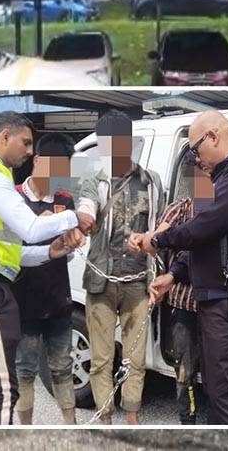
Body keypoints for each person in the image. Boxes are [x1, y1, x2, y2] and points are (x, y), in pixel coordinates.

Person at [131, 110, 228, 425]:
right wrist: (173, 275)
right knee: (216, 388)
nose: (196, 158)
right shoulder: (227, 176)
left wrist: (158, 241)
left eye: (196, 149)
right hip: (217, 299)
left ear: (213, 136)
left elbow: (203, 227)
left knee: (226, 395)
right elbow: (208, 241)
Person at [0, 111, 87, 425]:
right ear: (5, 136)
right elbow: (31, 229)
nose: (28, 151)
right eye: (25, 143)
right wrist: (75, 218)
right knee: (3, 387)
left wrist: (50, 252)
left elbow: (12, 253)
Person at [74, 110, 163, 425]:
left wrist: (156, 266)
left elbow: (160, 229)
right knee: (101, 358)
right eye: (104, 144)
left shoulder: (151, 182)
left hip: (137, 282)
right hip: (101, 282)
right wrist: (80, 222)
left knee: (135, 358)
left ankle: (133, 417)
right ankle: (105, 418)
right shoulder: (94, 182)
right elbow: (86, 208)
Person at [11, 135, 79, 425]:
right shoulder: (13, 198)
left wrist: (72, 245)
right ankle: (25, 433)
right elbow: (10, 251)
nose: (57, 178)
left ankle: (71, 427)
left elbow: (70, 252)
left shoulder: (65, 200)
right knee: (25, 370)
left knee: (63, 367)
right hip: (22, 301)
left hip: (58, 299)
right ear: (37, 161)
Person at [156, 164, 215, 425]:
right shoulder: (180, 208)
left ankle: (217, 422)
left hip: (214, 304)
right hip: (183, 302)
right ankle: (187, 421)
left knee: (216, 371)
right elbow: (159, 236)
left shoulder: (221, 210)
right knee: (185, 371)